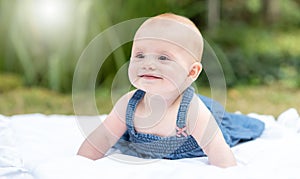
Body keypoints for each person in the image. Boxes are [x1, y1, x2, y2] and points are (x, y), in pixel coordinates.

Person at [77, 13, 265, 168]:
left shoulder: (193, 111)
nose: (148, 64)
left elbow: (221, 156)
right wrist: (79, 164)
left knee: (231, 123)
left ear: (192, 72)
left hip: (209, 121)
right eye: (140, 55)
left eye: (163, 58)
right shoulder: (129, 104)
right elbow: (100, 139)